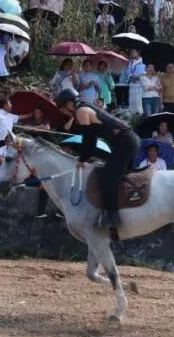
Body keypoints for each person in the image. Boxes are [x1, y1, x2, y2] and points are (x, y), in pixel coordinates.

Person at [56, 87, 140, 231]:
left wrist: (82, 159)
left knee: (108, 177)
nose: (63, 112)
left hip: (125, 141)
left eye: (63, 108)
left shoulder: (82, 111)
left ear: (69, 104)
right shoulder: (85, 107)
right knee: (117, 177)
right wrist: (85, 157)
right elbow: (92, 140)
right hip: (126, 140)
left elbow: (89, 140)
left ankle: (113, 216)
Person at [124, 50, 146, 116]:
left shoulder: (144, 61)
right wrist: (131, 76)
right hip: (133, 84)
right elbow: (128, 71)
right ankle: (133, 116)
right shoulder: (131, 62)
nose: (132, 53)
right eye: (131, 52)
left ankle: (141, 115)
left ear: (138, 52)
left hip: (140, 84)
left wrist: (138, 77)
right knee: (133, 100)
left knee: (140, 101)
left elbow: (146, 71)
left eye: (133, 52)